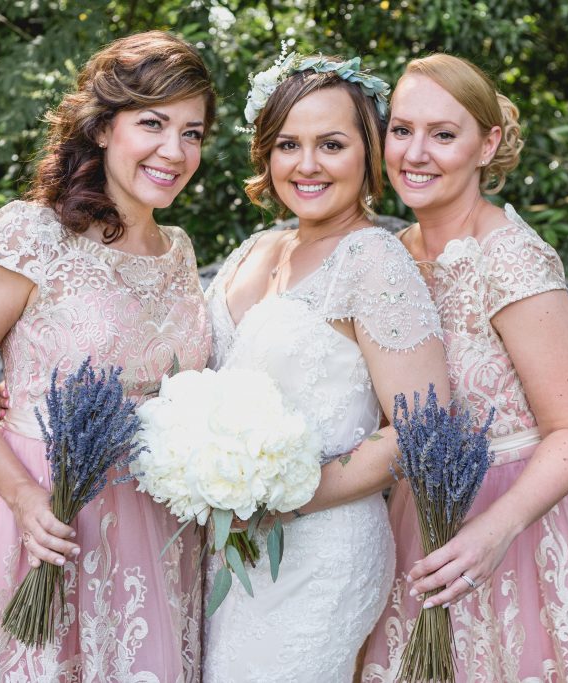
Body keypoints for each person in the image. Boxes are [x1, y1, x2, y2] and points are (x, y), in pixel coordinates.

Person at [0, 31, 214, 681]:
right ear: (102, 128)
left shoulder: (179, 251)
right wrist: (22, 497)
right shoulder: (32, 231)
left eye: (193, 132)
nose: (174, 150)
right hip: (37, 512)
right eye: (152, 123)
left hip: (154, 528)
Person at [357, 54, 568, 681]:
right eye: (402, 129)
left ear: (487, 143)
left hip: (528, 529)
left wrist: (495, 531)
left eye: (443, 134)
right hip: (425, 516)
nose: (415, 152)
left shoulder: (513, 261)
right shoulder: (389, 257)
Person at [201, 54, 450, 682]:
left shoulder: (373, 261)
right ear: (265, 152)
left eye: (331, 144)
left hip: (322, 554)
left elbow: (422, 427)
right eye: (289, 144)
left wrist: (284, 497)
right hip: (231, 554)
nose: (306, 165)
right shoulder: (256, 250)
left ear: (367, 152)